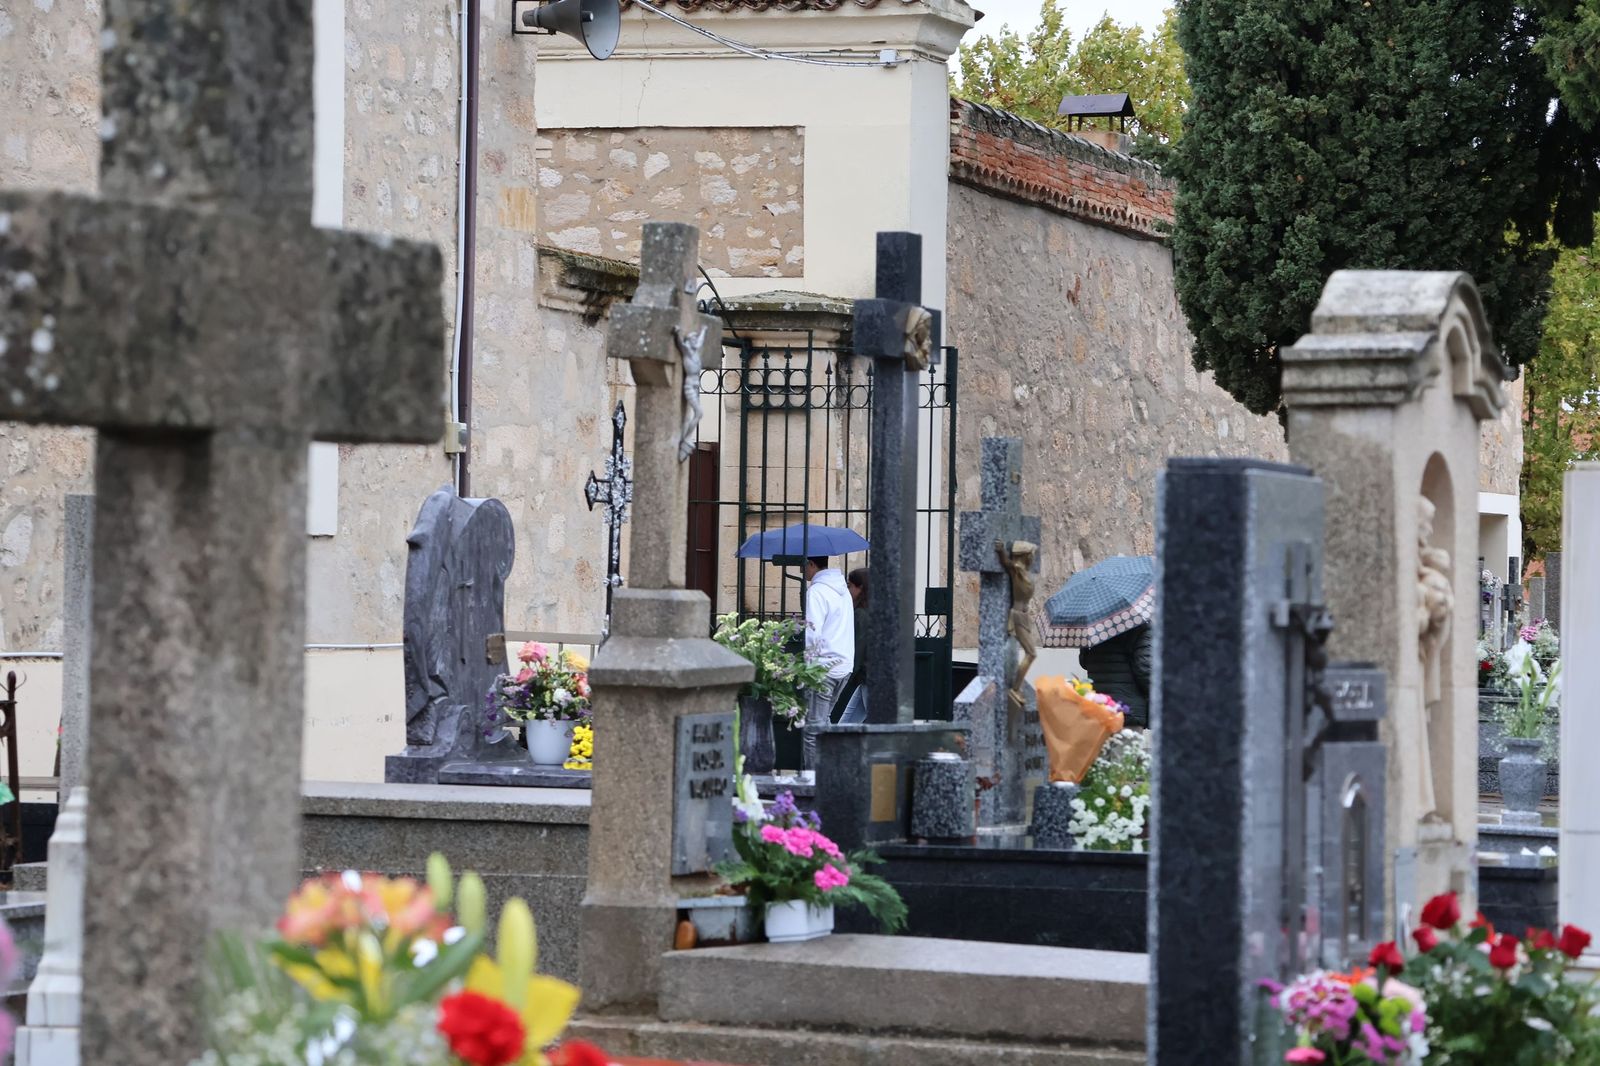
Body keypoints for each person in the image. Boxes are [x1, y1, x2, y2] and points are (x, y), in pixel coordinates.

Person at [802, 555, 854, 771]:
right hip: (843, 666)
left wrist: (808, 667)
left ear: (812, 564)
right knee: (824, 725)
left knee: (812, 731)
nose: (803, 570)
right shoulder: (843, 590)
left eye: (804, 565)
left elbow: (813, 633)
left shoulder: (817, 591)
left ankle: (815, 784)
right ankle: (833, 773)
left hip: (822, 668)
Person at [1078, 623, 1152, 729]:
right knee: (1128, 745)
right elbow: (1145, 670)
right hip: (1128, 710)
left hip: (1100, 708)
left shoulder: (1093, 626)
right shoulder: (1140, 626)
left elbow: (1084, 662)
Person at [837, 568, 870, 724]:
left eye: (850, 586)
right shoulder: (872, 611)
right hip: (867, 678)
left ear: (860, 588)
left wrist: (846, 678)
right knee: (847, 724)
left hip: (869, 677)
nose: (848, 590)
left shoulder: (861, 614)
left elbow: (859, 649)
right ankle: (836, 748)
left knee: (880, 727)